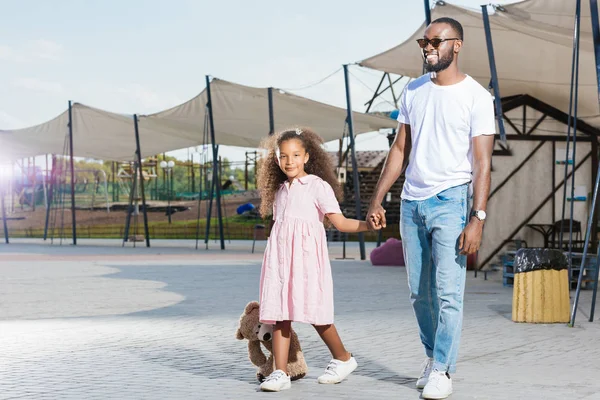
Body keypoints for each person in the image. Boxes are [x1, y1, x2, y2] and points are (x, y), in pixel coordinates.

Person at [367, 17, 495, 400]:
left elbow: (482, 162)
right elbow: (399, 150)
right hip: (411, 203)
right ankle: (431, 356)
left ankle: (443, 368)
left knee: (448, 293)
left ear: (456, 45)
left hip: (451, 200)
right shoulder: (413, 90)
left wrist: (478, 217)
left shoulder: (476, 96)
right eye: (424, 42)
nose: (427, 47)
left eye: (435, 41)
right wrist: (378, 197)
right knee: (419, 294)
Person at [256, 127, 377, 392]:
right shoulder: (278, 191)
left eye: (296, 155)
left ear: (307, 157)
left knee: (316, 313)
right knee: (279, 314)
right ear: (276, 160)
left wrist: (367, 226)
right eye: (284, 156)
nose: (290, 161)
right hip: (280, 262)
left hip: (307, 262)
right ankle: (280, 372)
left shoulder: (318, 187)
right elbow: (280, 229)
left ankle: (344, 359)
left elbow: (340, 222)